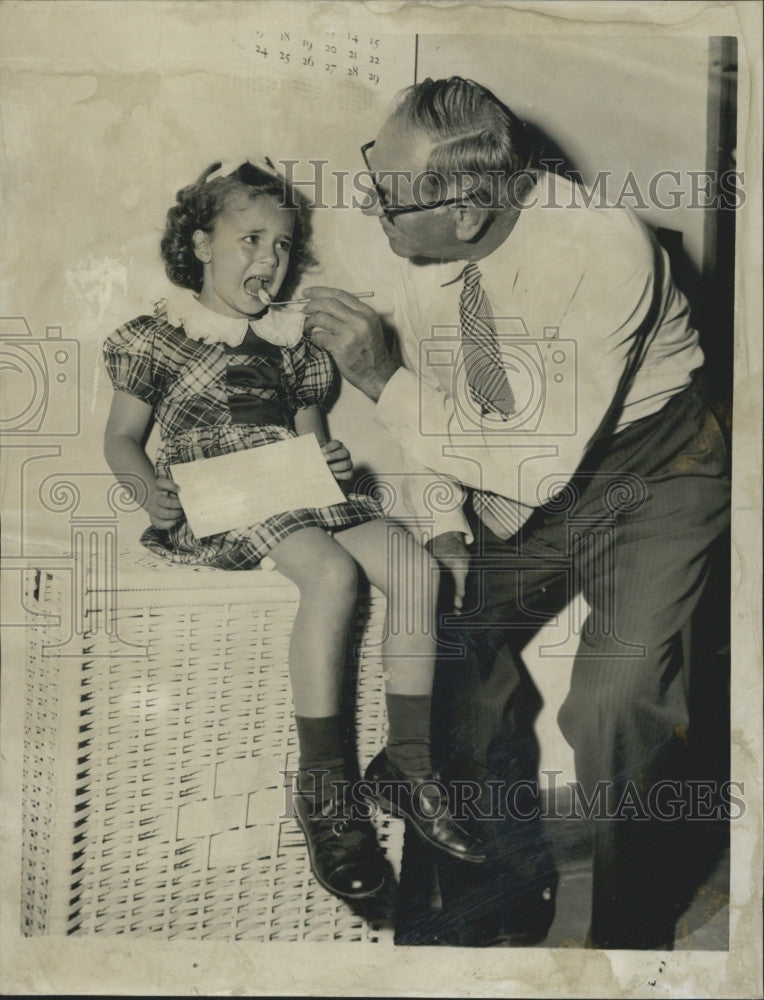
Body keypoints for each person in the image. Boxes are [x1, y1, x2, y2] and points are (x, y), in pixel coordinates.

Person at [303, 78, 731, 948]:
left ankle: (629, 936)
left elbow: (528, 457)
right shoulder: (409, 244)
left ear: (465, 212)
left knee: (619, 699)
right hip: (516, 462)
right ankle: (500, 888)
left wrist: (380, 377)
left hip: (652, 465)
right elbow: (441, 421)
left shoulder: (600, 247)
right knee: (454, 650)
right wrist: (449, 531)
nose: (368, 204)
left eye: (387, 196)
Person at [102, 157, 485, 906]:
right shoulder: (159, 336)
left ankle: (406, 764)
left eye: (281, 246)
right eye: (250, 240)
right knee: (333, 575)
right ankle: (327, 795)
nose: (268, 261)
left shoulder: (294, 347)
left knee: (416, 571)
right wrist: (152, 496)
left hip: (297, 487)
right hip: (224, 493)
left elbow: (311, 441)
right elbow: (120, 440)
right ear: (202, 243)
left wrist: (331, 459)